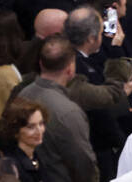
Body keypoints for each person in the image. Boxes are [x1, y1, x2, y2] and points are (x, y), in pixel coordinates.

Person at [15, 34, 99, 182]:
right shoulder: (69, 112)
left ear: (41, 64)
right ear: (70, 69)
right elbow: (83, 163)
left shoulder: (22, 95)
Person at [0, 98, 48, 182]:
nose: (39, 131)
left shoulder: (36, 156)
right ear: (16, 132)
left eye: (41, 124)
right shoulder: (11, 167)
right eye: (31, 127)